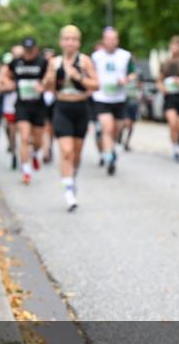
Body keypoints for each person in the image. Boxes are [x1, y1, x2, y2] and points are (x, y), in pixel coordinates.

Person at [42, 25, 98, 211]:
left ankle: (71, 177)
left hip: (81, 108)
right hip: (62, 108)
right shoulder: (54, 62)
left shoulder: (85, 61)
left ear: (78, 42)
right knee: (66, 151)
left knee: (76, 154)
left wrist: (78, 77)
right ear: (61, 42)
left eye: (73, 39)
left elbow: (96, 85)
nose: (70, 42)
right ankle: (68, 192)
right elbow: (47, 86)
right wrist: (50, 78)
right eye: (66, 39)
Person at [0, 38, 49, 184]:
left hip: (38, 106)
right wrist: (7, 83)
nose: (29, 53)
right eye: (26, 50)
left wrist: (44, 85)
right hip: (22, 105)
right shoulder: (16, 63)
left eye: (31, 50)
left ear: (36, 49)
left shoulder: (42, 62)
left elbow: (51, 80)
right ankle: (26, 171)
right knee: (24, 137)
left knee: (37, 141)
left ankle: (36, 153)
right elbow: (1, 79)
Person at [91, 27, 137, 175]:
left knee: (117, 130)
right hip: (102, 98)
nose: (111, 42)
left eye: (113, 39)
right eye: (108, 39)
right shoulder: (96, 57)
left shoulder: (125, 56)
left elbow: (133, 73)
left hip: (119, 98)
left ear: (117, 40)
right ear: (104, 40)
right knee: (108, 128)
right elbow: (90, 74)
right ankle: (109, 157)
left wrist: (126, 79)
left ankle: (111, 149)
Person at [42, 46, 57, 164]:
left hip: (53, 99)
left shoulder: (58, 69)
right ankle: (45, 151)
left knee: (50, 126)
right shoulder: (40, 69)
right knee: (44, 126)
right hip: (41, 100)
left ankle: (49, 147)